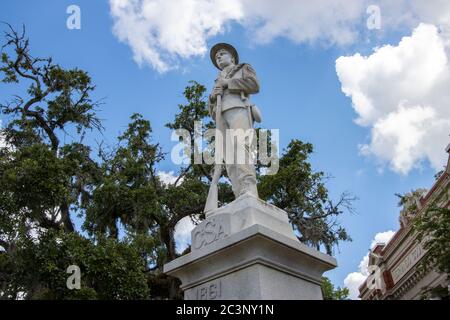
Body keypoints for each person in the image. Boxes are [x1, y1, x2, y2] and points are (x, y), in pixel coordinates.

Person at [207, 43, 261, 201]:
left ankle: (248, 187)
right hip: (221, 117)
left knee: (240, 146)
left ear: (232, 57)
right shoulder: (217, 80)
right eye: (217, 56)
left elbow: (254, 85)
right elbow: (211, 111)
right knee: (228, 158)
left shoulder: (243, 68)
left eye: (222, 54)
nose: (219, 57)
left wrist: (228, 84)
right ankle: (238, 193)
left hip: (238, 108)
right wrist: (211, 98)